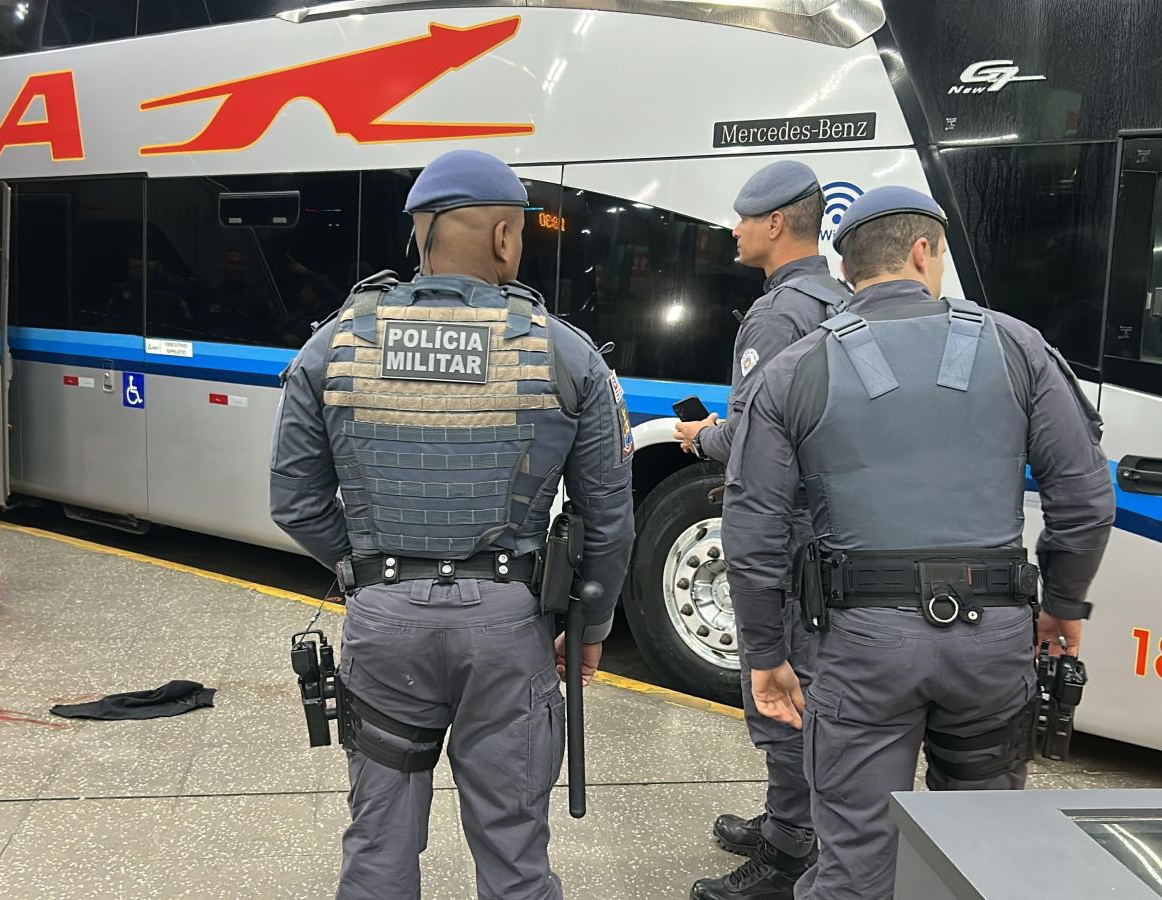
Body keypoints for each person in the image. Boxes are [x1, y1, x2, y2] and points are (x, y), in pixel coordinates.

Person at [721, 186, 1116, 900]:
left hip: (861, 646)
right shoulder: (1018, 345)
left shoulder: (794, 368)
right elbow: (1085, 498)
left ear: (849, 271)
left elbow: (753, 529)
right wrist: (1060, 605)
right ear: (924, 251)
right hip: (995, 641)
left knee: (854, 861)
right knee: (983, 854)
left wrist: (766, 657)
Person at [268, 149, 635, 900]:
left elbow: (294, 500)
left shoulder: (332, 344)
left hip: (383, 626)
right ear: (505, 239)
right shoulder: (564, 353)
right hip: (510, 629)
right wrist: (588, 625)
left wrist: (364, 573)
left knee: (377, 846)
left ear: (418, 234)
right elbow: (608, 517)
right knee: (514, 853)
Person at [676, 161, 851, 900]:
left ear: (776, 223)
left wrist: (700, 439)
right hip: (831, 532)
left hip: (786, 535)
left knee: (778, 695)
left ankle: (787, 856)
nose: (736, 230)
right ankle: (792, 819)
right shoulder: (839, 298)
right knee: (811, 691)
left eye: (744, 219)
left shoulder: (779, 314)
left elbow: (757, 432)